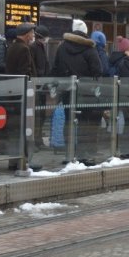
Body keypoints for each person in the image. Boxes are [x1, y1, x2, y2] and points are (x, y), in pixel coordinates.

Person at [51, 19, 103, 164]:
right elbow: (98, 71)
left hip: (67, 91)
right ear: (86, 32)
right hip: (86, 93)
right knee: (84, 124)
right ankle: (82, 155)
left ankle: (69, 155)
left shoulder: (62, 47)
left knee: (69, 122)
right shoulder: (89, 49)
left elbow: (55, 68)